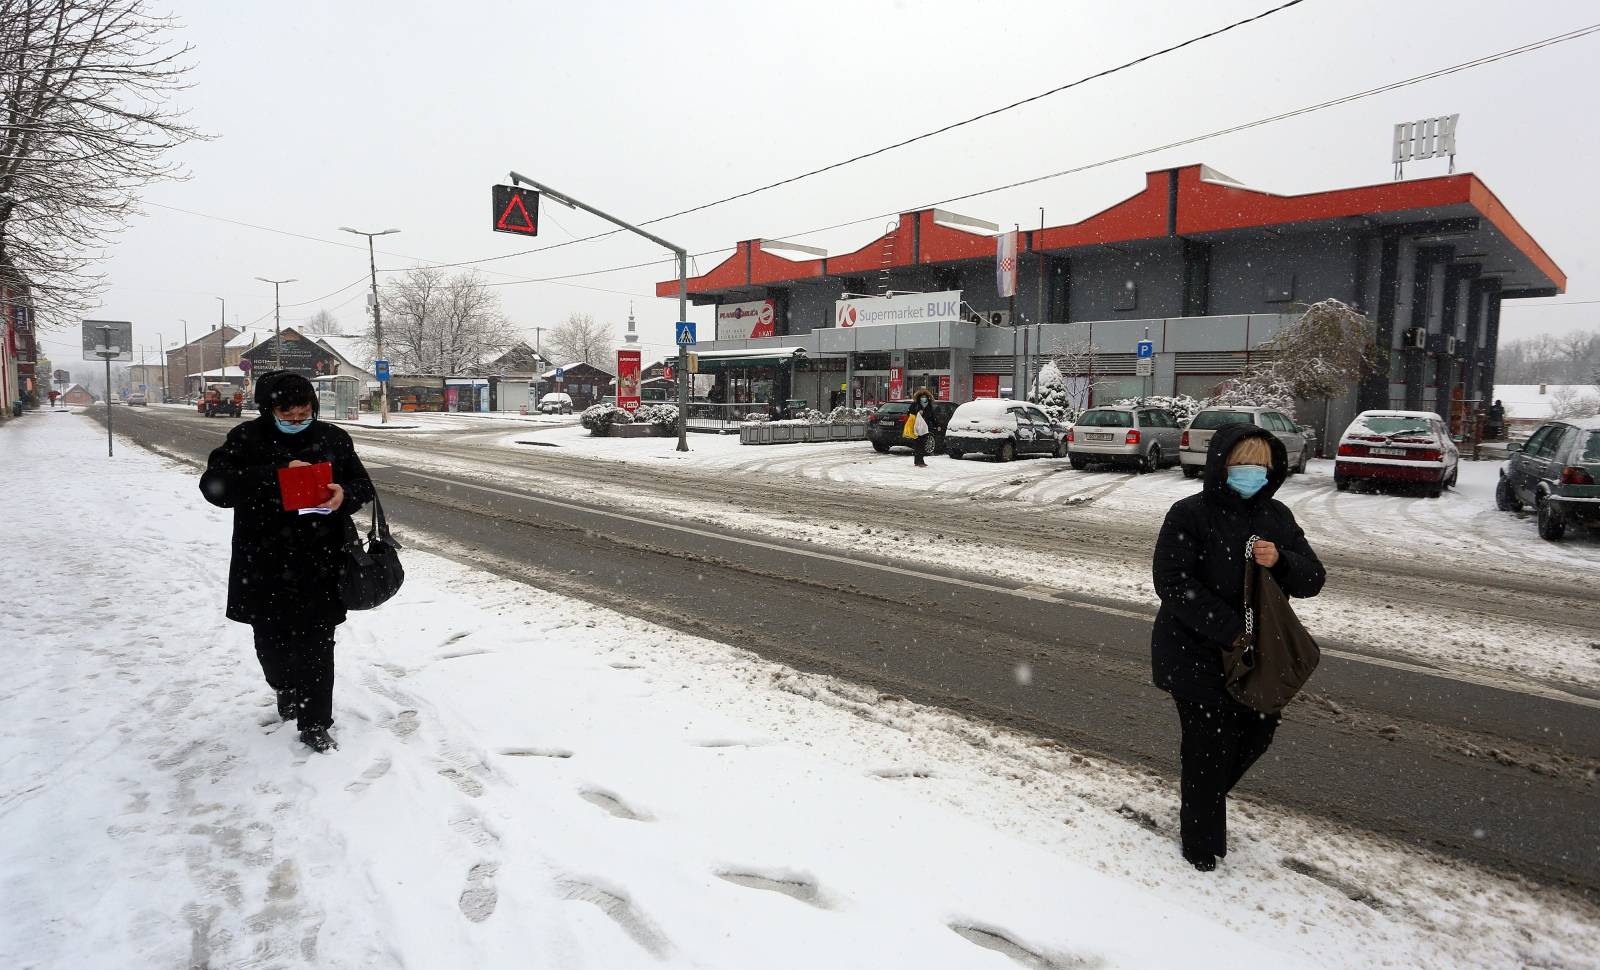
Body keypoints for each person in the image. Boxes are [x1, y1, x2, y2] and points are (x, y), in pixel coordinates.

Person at [1150, 423, 1325, 872]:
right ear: (1222, 465)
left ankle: (1201, 798)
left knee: (1257, 733)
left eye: (1262, 466)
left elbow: (1313, 579)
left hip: (1254, 660)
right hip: (1193, 650)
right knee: (1206, 745)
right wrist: (1230, 627)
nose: (1253, 473)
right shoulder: (1189, 513)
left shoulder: (1277, 517)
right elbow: (1171, 583)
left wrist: (1281, 560)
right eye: (1243, 464)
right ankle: (1200, 843)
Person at [199, 371, 375, 753]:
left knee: (317, 646)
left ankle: (315, 723)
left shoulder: (332, 438)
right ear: (268, 409)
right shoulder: (246, 440)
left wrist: (344, 495)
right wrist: (276, 477)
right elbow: (215, 487)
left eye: (304, 412)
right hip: (262, 564)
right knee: (271, 646)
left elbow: (363, 486)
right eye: (287, 414)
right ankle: (285, 686)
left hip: (320, 561)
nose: (297, 420)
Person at [907, 390, 937, 467]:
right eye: (922, 397)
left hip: (925, 428)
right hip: (916, 427)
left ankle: (919, 461)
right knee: (918, 444)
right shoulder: (915, 405)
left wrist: (937, 425)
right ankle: (918, 461)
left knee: (923, 444)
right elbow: (909, 414)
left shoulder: (929, 406)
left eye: (925, 397)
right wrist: (917, 413)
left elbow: (932, 417)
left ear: (928, 398)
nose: (923, 398)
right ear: (919, 398)